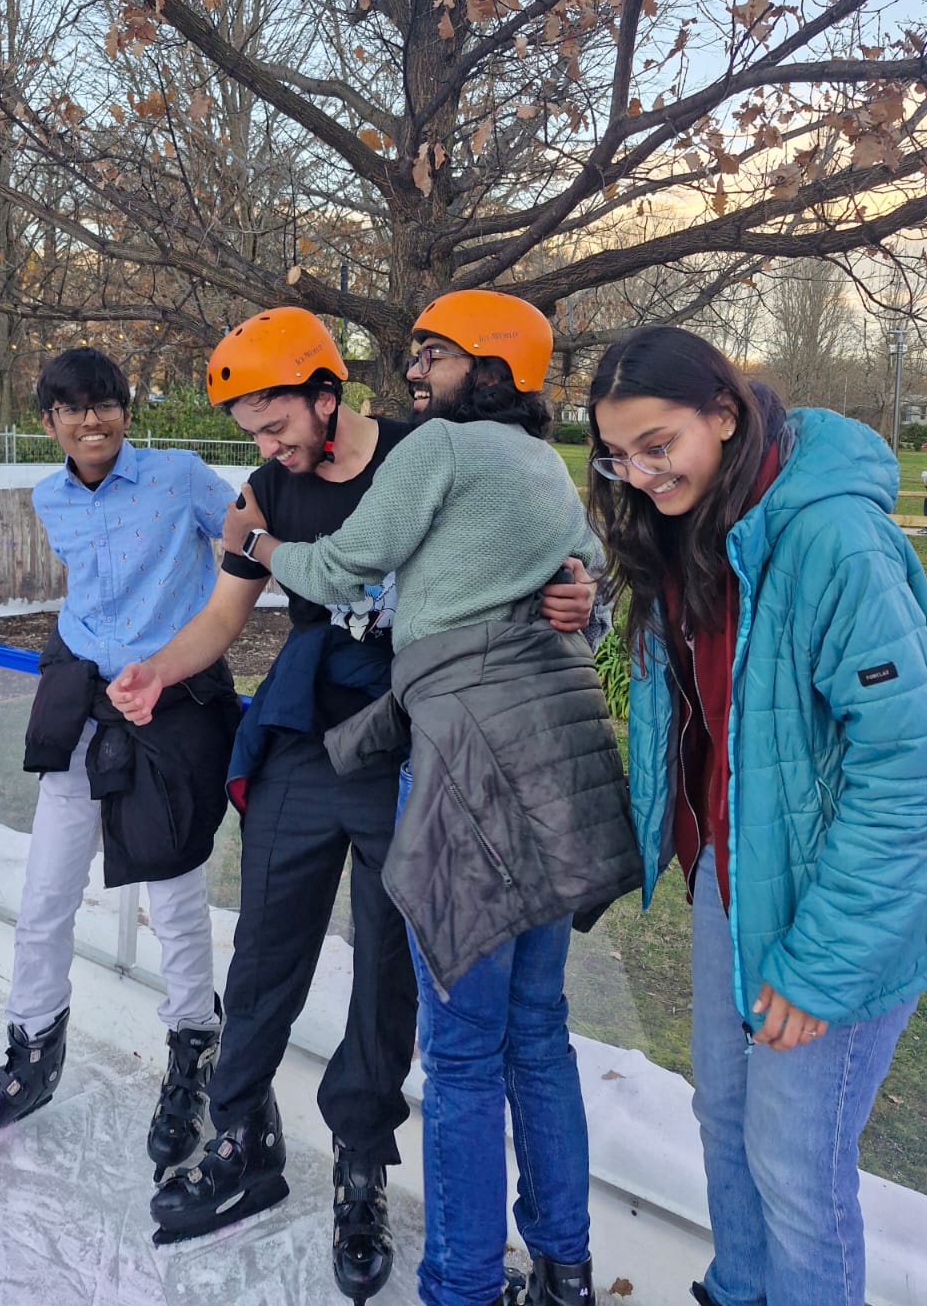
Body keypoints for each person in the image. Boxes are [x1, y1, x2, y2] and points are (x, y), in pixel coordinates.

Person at [108, 307, 596, 1305]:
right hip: (303, 739)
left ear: (326, 393)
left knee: (387, 971)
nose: (268, 444)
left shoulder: (435, 450)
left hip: (410, 740)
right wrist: (156, 669)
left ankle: (361, 1163)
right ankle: (241, 1132)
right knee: (267, 947)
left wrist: (580, 584)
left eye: (275, 420)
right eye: (251, 431)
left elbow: (546, 542)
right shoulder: (265, 491)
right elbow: (223, 611)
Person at [223, 290, 641, 1306]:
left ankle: (459, 1283)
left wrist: (260, 548)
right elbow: (592, 594)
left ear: (490, 366)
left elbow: (341, 564)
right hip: (559, 754)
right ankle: (564, 1268)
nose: (412, 372)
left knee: (460, 1049)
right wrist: (581, 599)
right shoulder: (547, 466)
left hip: (465, 759)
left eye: (433, 355)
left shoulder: (441, 451)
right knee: (536, 1029)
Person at [585, 324, 927, 1306]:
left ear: (727, 412)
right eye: (617, 454)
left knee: (797, 1163)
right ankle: (739, 1285)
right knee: (724, 1112)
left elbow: (914, 766)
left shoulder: (834, 539)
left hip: (843, 889)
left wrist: (825, 960)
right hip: (733, 863)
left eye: (659, 445)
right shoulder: (685, 528)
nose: (639, 474)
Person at [0, 348, 241, 1177]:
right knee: (45, 894)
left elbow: (257, 538)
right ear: (49, 423)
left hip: (171, 707)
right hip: (80, 700)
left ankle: (192, 1052)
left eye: (105, 405)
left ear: (126, 411)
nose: (92, 421)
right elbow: (89, 591)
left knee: (174, 897)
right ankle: (33, 1053)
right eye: (73, 409)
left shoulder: (179, 476)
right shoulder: (49, 495)